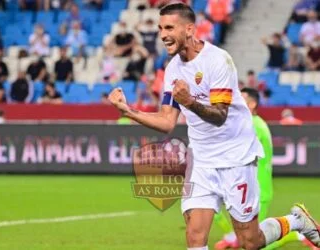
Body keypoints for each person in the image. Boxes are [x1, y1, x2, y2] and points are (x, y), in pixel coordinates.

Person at [107, 4, 320, 250]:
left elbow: (219, 116)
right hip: (201, 160)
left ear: (189, 29)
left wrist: (189, 102)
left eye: (169, 27)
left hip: (236, 157)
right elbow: (167, 122)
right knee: (195, 237)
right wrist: (128, 111)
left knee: (250, 242)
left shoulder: (218, 60)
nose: (163, 34)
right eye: (160, 28)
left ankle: (296, 221)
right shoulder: (173, 69)